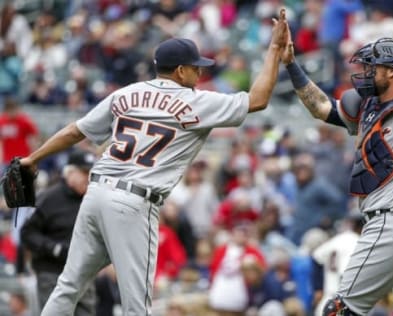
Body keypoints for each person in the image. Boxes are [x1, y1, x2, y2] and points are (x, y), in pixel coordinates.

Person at [19, 8, 289, 316]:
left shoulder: (126, 93)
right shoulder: (196, 100)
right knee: (137, 305)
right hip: (133, 202)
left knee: (68, 285)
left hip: (96, 194)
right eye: (194, 67)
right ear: (179, 72)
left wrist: (32, 158)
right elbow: (258, 99)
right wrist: (274, 49)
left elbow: (73, 131)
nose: (199, 73)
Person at [281, 35, 393, 315]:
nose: (365, 73)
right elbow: (321, 108)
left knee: (338, 310)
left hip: (391, 223)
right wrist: (292, 64)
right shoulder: (370, 108)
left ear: (391, 70)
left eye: (372, 67)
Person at [20, 149, 97, 315]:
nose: (88, 177)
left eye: (91, 173)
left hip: (83, 275)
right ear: (70, 172)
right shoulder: (49, 197)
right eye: (84, 172)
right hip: (52, 273)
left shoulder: (93, 200)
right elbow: (27, 233)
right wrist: (53, 248)